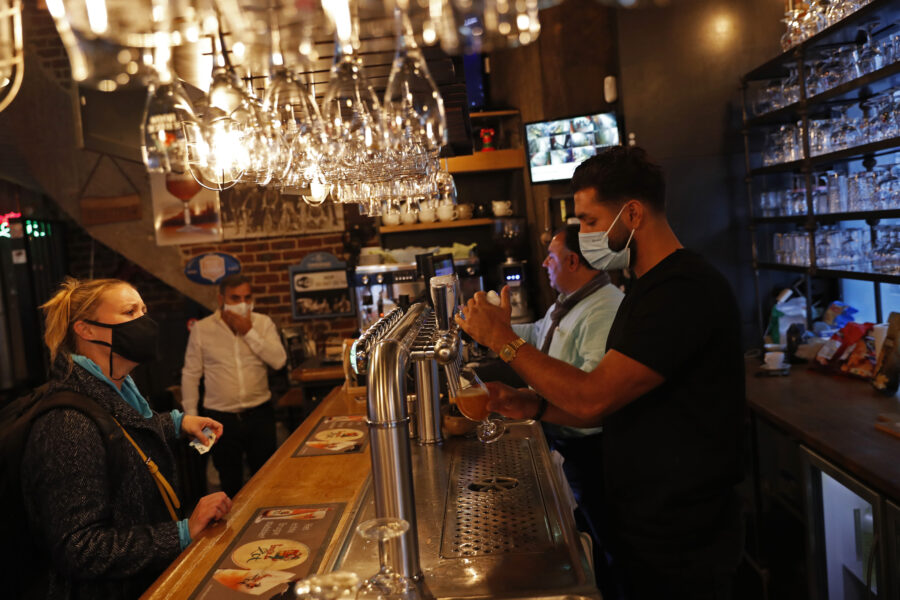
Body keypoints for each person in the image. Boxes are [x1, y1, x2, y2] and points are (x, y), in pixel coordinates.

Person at [457, 146, 745, 599]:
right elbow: (609, 408)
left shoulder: (683, 291)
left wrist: (502, 340)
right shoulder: (645, 289)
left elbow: (594, 397)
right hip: (646, 517)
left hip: (684, 532)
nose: (585, 234)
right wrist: (530, 404)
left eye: (590, 221)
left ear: (631, 214)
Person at [21, 277, 233, 600]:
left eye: (144, 310)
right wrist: (181, 533)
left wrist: (178, 423)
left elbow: (123, 433)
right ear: (86, 329)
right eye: (130, 311)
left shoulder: (115, 388)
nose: (144, 321)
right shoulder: (67, 424)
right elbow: (80, 549)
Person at [181, 274, 287, 498]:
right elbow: (191, 375)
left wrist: (249, 331)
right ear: (222, 299)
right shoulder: (203, 329)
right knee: (228, 481)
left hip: (260, 413)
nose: (242, 303)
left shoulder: (262, 323)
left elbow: (279, 360)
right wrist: (191, 418)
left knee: (267, 477)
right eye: (235, 298)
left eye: (247, 297)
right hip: (220, 418)